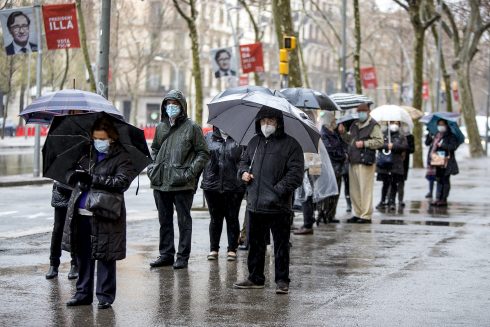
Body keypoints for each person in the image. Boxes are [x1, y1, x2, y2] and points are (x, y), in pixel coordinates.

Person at [62, 117, 136, 309]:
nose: (98, 142)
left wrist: (93, 179)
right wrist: (76, 176)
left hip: (105, 213)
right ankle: (82, 293)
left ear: (111, 138)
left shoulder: (122, 157)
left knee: (105, 255)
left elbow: (121, 182)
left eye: (102, 138)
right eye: (95, 138)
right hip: (81, 213)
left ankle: (105, 295)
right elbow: (68, 173)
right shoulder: (85, 153)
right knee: (83, 255)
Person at [233, 107, 304, 294]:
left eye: (271, 121)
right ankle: (255, 278)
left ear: (278, 122)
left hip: (279, 206)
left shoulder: (291, 145)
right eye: (263, 121)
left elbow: (295, 175)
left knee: (280, 245)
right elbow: (243, 162)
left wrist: (276, 191)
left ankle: (282, 280)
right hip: (255, 204)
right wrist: (243, 173)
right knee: (255, 243)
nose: (267, 125)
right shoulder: (254, 142)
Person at [148, 90, 209, 269]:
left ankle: (182, 256)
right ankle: (166, 254)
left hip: (182, 183)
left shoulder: (192, 127)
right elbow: (154, 149)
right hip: (160, 182)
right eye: (168, 104)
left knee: (184, 221)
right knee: (164, 220)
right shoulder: (161, 127)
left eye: (175, 104)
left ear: (182, 106)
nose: (171, 107)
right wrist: (153, 168)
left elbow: (203, 153)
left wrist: (189, 173)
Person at [201, 127, 245, 261]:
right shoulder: (208, 137)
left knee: (232, 217)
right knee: (215, 218)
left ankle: (232, 249)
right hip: (212, 185)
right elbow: (201, 156)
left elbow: (245, 160)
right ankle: (213, 249)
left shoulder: (241, 138)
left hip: (234, 185)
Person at [339, 103, 383, 224]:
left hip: (366, 161)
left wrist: (365, 144)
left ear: (368, 112)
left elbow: (379, 142)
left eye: (363, 112)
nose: (360, 114)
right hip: (353, 160)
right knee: (354, 190)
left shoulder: (373, 125)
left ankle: (366, 215)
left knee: (365, 189)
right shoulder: (354, 124)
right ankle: (357, 213)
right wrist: (343, 134)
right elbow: (351, 140)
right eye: (359, 112)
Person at [315, 113, 348, 225]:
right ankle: (323, 213)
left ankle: (330, 214)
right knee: (327, 192)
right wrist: (343, 155)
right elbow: (330, 150)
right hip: (330, 168)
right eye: (334, 120)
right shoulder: (324, 134)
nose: (336, 122)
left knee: (335, 192)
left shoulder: (335, 133)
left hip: (337, 168)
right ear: (329, 121)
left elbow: (342, 145)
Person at [45, 182, 78, 280]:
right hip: (61, 190)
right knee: (58, 228)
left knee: (75, 228)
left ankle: (75, 264)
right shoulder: (58, 166)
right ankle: (53, 264)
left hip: (77, 189)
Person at [375, 121, 408, 211]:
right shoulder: (383, 134)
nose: (395, 125)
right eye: (393, 123)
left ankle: (392, 201)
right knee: (385, 183)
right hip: (384, 163)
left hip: (396, 163)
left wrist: (393, 146)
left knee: (394, 183)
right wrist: (386, 146)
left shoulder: (401, 135)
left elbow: (405, 146)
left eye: (397, 123)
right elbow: (378, 145)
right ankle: (382, 201)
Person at [428, 119, 460, 206]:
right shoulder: (438, 135)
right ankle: (438, 198)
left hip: (447, 161)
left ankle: (444, 199)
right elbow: (430, 145)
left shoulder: (451, 136)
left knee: (445, 180)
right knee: (439, 179)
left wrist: (442, 145)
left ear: (446, 125)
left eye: (442, 124)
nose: (440, 126)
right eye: (439, 124)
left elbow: (453, 147)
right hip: (438, 161)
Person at [398, 132, 415, 207]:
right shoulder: (390, 134)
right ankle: (389, 199)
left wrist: (404, 147)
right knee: (390, 181)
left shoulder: (409, 137)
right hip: (392, 161)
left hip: (404, 162)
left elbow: (412, 149)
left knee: (401, 181)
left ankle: (400, 200)